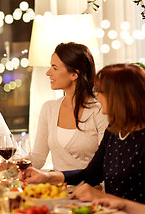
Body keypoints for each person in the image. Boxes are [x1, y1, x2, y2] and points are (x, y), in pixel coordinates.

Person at [19, 64, 145, 203]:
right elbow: (91, 174)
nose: (96, 95)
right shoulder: (114, 130)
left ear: (120, 96)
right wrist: (47, 177)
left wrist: (103, 198)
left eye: (100, 91)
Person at [29, 42, 108, 171]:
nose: (48, 73)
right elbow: (38, 158)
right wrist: (15, 165)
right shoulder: (49, 108)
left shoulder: (99, 111)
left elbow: (106, 163)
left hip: (91, 189)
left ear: (74, 74)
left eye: (55, 68)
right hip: (58, 189)